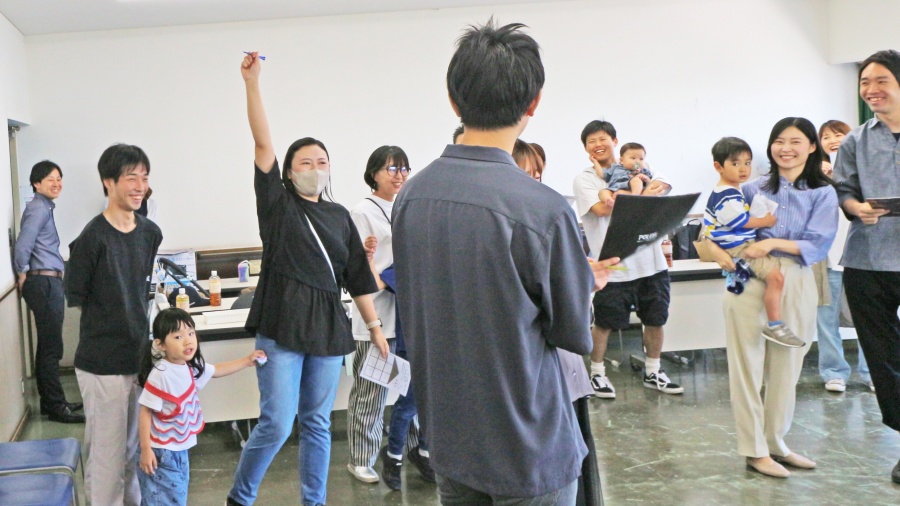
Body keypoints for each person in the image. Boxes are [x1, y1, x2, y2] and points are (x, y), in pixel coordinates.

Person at [393, 21, 618, 504]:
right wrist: (580, 283)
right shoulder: (542, 207)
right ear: (533, 103)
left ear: (453, 100)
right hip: (527, 443)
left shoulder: (411, 196)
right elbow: (573, 334)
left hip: (450, 435)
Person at [228, 52, 389, 506]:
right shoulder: (278, 206)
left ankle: (313, 502)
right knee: (277, 424)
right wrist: (252, 83)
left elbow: (358, 280)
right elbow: (262, 145)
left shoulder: (340, 216)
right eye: (304, 162)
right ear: (288, 171)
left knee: (317, 423)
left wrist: (375, 328)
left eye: (322, 161)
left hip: (326, 328)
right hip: (282, 325)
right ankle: (240, 497)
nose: (315, 168)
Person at [708, 117, 837, 479]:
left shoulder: (822, 192)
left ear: (812, 147)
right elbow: (713, 228)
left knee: (788, 366)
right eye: (779, 141)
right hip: (748, 276)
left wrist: (772, 243)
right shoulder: (750, 188)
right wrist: (717, 251)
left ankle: (775, 441)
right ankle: (754, 450)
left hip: (796, 276)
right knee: (746, 366)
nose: (786, 148)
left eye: (795, 141)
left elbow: (818, 242)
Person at [65, 143, 164, 505]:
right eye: (130, 178)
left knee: (133, 450)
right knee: (106, 456)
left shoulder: (150, 233)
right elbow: (75, 294)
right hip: (101, 363)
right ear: (108, 182)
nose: (140, 186)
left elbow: (141, 291)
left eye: (144, 177)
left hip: (137, 358)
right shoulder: (91, 239)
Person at [512, 138, 602, 506]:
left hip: (567, 373)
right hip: (538, 378)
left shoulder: (547, 214)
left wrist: (583, 280)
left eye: (538, 173)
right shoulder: (528, 219)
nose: (534, 181)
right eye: (526, 172)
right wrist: (581, 285)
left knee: (578, 463)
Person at [573, 120, 682, 399]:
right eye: (591, 141)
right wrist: (641, 195)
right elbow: (601, 209)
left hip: (652, 262)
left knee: (656, 318)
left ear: (614, 141)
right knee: (605, 322)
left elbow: (663, 186)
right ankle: (596, 374)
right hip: (613, 266)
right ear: (586, 148)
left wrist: (631, 195)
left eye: (603, 139)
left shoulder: (638, 164)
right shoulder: (586, 178)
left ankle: (653, 371)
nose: (598, 145)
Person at [832, 49, 900, 484]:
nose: (871, 90)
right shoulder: (855, 140)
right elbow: (843, 190)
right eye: (864, 83)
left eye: (881, 81)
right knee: (883, 357)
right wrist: (856, 207)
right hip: (868, 260)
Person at [345, 146, 428, 487]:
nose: (400, 175)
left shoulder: (406, 206)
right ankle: (360, 459)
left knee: (409, 390)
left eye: (404, 169)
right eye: (392, 168)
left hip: (406, 315)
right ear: (374, 173)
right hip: (376, 316)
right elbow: (358, 270)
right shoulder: (362, 212)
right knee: (372, 393)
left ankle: (410, 449)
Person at [137, 308, 266, 505]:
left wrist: (247, 361)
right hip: (161, 451)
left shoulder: (188, 366)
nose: (188, 341)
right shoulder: (161, 374)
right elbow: (145, 411)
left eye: (191, 333)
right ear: (160, 344)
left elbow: (216, 370)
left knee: (175, 498)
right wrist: (146, 449)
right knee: (164, 501)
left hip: (179, 448)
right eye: (178, 337)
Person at [703, 137, 803, 348]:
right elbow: (739, 222)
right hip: (738, 247)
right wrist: (766, 221)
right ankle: (775, 325)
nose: (743, 169)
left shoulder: (733, 190)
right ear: (718, 167)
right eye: (735, 163)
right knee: (776, 277)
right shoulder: (727, 194)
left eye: (747, 163)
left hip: (738, 244)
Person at [14, 161, 84, 424]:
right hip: (42, 281)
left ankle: (51, 402)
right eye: (50, 179)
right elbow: (23, 244)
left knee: (48, 345)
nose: (57, 184)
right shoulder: (37, 208)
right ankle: (56, 406)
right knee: (52, 346)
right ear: (36, 183)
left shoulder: (44, 207)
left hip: (48, 281)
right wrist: (22, 271)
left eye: (59, 178)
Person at [361, 241, 434, 491]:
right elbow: (375, 284)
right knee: (409, 403)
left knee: (432, 402)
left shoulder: (443, 265)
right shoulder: (406, 266)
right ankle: (393, 457)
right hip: (413, 344)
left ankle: (424, 452)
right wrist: (369, 259)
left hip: (439, 344)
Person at [815, 120, 870, 392]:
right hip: (828, 257)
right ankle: (833, 372)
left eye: (838, 134)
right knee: (826, 319)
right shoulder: (814, 174)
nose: (833, 140)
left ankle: (872, 373)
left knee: (870, 320)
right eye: (826, 136)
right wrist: (818, 177)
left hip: (863, 256)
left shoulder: (864, 169)